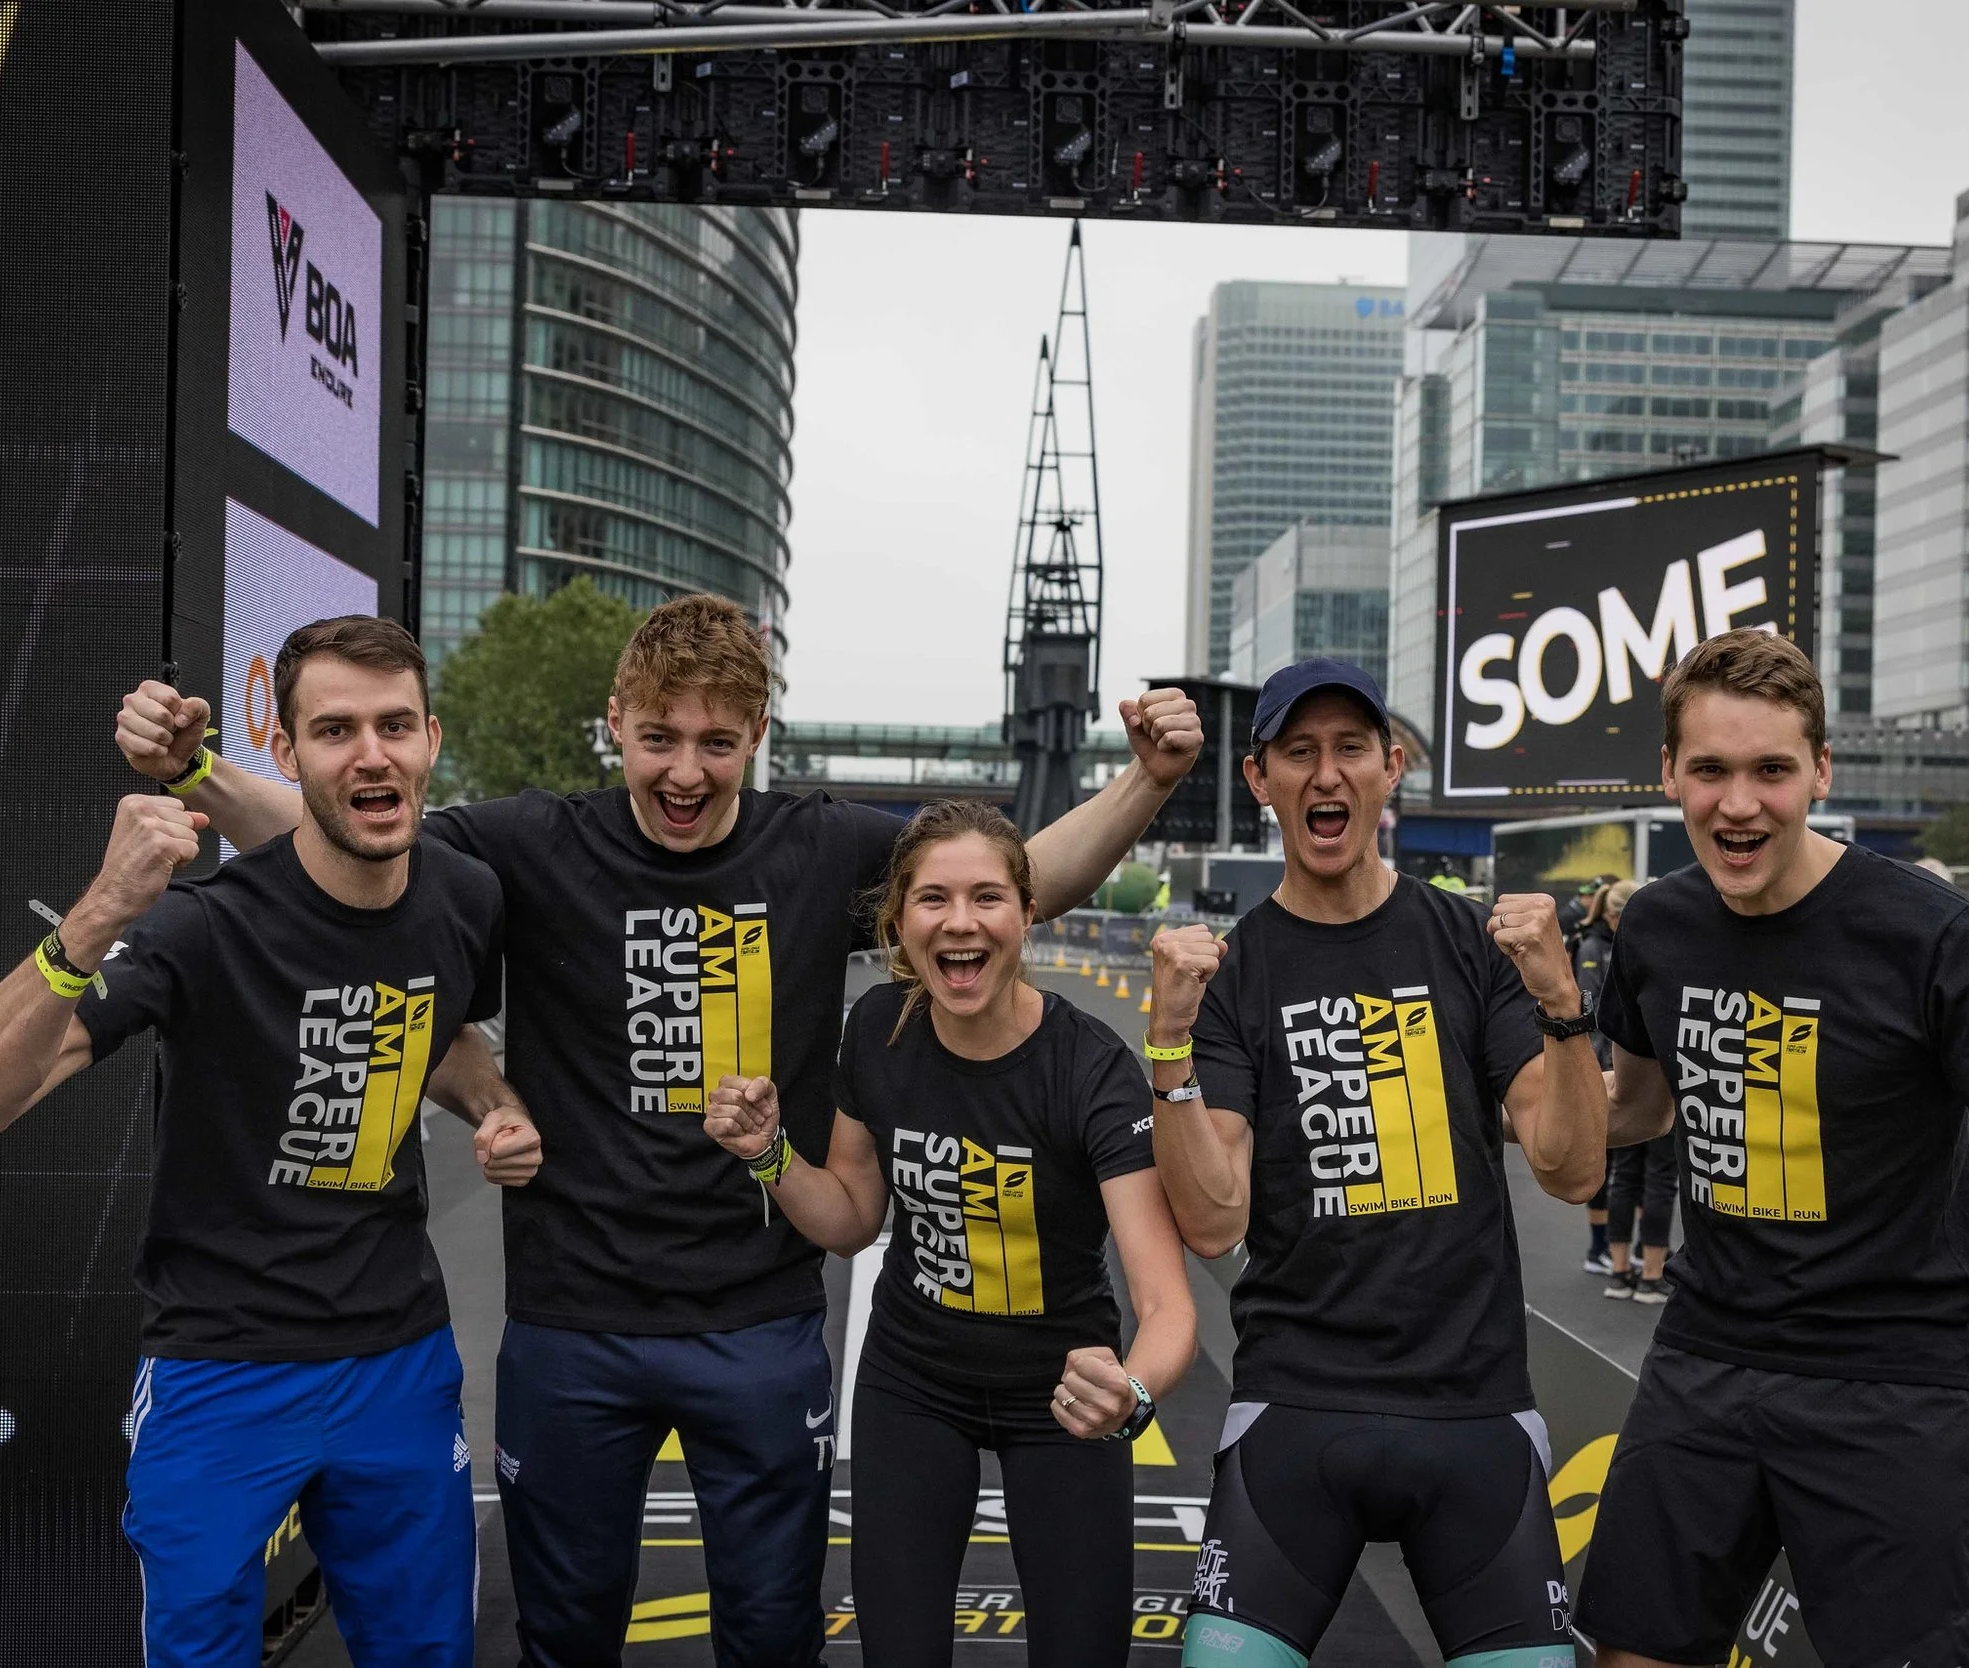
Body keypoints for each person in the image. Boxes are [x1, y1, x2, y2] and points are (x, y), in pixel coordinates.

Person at [112, 592, 1203, 1666]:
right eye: (658, 738)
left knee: (772, 1635)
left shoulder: (819, 847)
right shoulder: (533, 842)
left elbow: (1024, 879)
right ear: (615, 722)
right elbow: (346, 838)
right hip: (572, 1324)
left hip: (758, 1326)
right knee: (568, 1631)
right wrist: (196, 773)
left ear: (756, 737)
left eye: (717, 743)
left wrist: (1148, 779)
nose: (686, 771)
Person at [0, 617, 543, 1668]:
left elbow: (440, 1027)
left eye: (394, 725)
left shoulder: (465, 894)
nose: (371, 752)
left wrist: (494, 1101)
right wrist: (98, 915)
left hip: (396, 1362)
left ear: (432, 739)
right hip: (221, 1370)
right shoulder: (202, 925)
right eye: (335, 729)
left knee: (426, 1652)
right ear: (291, 750)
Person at [1582, 630, 1969, 1668]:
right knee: (1636, 1650)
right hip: (1704, 1354)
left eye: (1772, 769)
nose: (1739, 804)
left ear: (1819, 769)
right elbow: (1633, 1111)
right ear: (1668, 773)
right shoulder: (1657, 927)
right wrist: (1502, 1096)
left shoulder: (1936, 937)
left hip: (1889, 1376)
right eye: (1711, 770)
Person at [1144, 658, 1608, 1668]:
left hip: (1472, 1404)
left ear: (1390, 768)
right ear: (1259, 779)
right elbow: (1216, 1221)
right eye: (1298, 753)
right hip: (1298, 1400)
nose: (1327, 775)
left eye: (1350, 748)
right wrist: (1169, 1047)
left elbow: (1571, 1172)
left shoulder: (1469, 943)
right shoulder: (1235, 976)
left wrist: (1564, 1009)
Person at [700, 800, 1197, 1667]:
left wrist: (1133, 1394)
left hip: (1064, 1399)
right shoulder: (878, 1031)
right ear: (898, 919)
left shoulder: (1089, 1070)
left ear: (1028, 913)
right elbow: (853, 1222)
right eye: (933, 899)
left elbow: (1167, 1308)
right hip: (914, 1382)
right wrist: (769, 1154)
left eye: (986, 898)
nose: (960, 923)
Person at [1591, 880, 1677, 1305]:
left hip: (1617, 1067)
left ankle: (1620, 1268)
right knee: (1659, 1178)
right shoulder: (1663, 946)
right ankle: (1651, 1273)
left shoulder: (1612, 947)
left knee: (1626, 1175)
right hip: (1655, 1074)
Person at [1572, 884, 1622, 1275]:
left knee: (1629, 1167)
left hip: (1622, 1062)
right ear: (1611, 913)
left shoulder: (1627, 943)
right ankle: (1597, 1247)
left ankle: (1627, 1247)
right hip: (1598, 1062)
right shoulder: (1591, 947)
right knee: (1600, 1162)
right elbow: (1588, 1008)